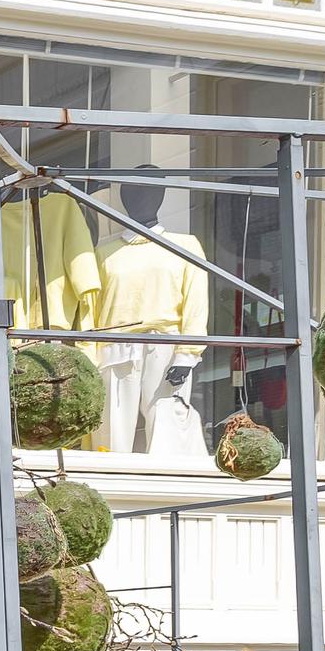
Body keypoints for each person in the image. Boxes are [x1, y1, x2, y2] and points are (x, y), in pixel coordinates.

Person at [91, 181, 211, 459]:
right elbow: (91, 308)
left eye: (147, 194)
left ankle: (171, 481)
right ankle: (108, 476)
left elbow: (196, 302)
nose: (139, 201)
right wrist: (89, 353)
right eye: (131, 195)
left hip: (165, 342)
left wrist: (187, 354)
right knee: (112, 427)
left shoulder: (185, 245)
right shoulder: (104, 253)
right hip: (114, 344)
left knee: (167, 424)